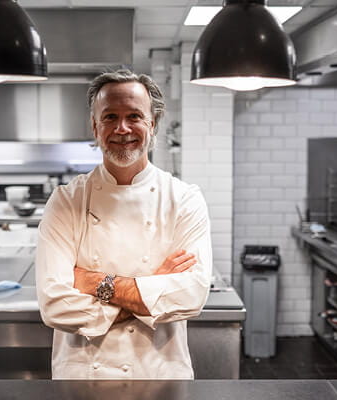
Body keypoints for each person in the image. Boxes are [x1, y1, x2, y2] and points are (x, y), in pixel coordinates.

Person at [35, 70, 212, 379]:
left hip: (159, 373)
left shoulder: (184, 199)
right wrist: (153, 290)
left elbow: (191, 295)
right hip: (83, 376)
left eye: (134, 116)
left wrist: (93, 282)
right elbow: (55, 305)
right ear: (95, 127)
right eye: (110, 117)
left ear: (152, 124)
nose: (122, 128)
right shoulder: (66, 201)